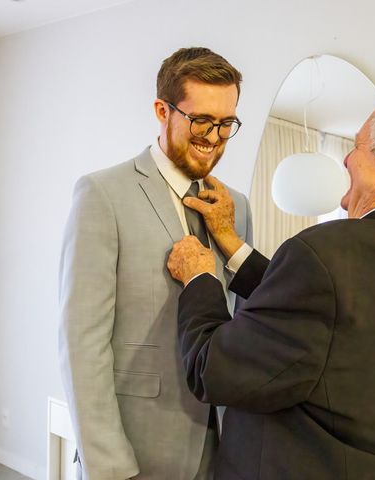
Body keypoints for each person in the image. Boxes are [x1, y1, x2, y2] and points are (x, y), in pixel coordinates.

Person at [167, 81, 375, 479]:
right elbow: (333, 318)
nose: (347, 161)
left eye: (356, 147)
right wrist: (235, 247)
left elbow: (211, 369)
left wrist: (200, 278)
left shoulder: (326, 253)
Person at [59, 47, 252, 480]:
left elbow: (244, 319)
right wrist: (109, 465)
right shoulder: (102, 194)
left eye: (226, 123)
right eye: (201, 120)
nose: (214, 137)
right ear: (162, 110)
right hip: (135, 451)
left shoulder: (236, 205)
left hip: (221, 445)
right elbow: (81, 343)